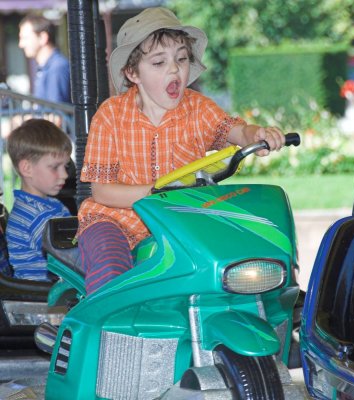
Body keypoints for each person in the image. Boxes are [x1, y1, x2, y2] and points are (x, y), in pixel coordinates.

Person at [77, 7, 286, 295]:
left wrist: (256, 133)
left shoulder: (198, 108)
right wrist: (154, 191)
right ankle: (107, 330)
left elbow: (234, 129)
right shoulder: (110, 115)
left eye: (181, 59)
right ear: (132, 72)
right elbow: (101, 191)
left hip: (180, 219)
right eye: (159, 62)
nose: (174, 69)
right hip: (115, 221)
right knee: (110, 270)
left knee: (227, 263)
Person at [5, 119, 72, 281]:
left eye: (66, 166)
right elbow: (71, 260)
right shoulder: (34, 215)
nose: (65, 175)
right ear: (27, 168)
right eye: (55, 167)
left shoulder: (51, 205)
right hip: (44, 297)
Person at [18, 14, 71, 104]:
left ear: (43, 38)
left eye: (25, 38)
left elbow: (56, 115)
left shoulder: (57, 68)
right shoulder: (45, 67)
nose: (21, 44)